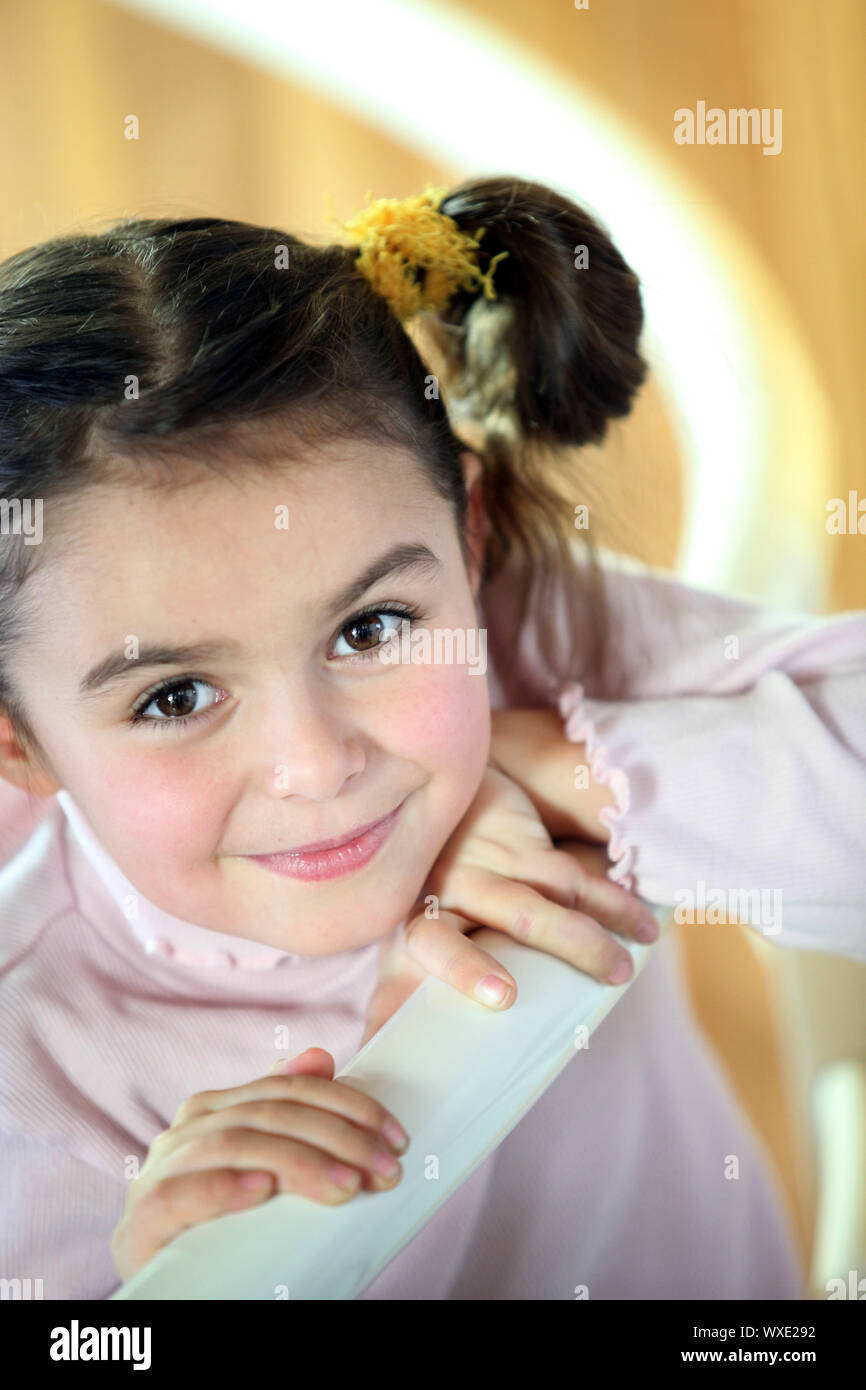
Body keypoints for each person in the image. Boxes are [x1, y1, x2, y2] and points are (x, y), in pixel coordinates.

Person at [0, 179, 862, 1300]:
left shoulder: (511, 633)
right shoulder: (31, 1072)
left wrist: (551, 767)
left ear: (467, 534)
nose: (316, 765)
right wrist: (175, 1287)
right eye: (173, 698)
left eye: (368, 627)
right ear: (20, 745)